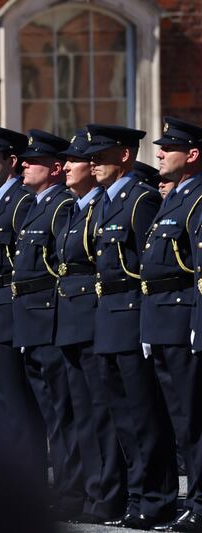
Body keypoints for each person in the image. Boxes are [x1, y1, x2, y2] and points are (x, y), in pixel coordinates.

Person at [84, 124, 177, 529]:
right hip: (108, 316)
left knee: (144, 415)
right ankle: (137, 498)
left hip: (131, 315)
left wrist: (144, 325)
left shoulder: (139, 201)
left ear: (124, 156)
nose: (93, 164)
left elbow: (148, 266)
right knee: (121, 417)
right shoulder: (107, 202)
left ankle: (156, 499)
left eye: (101, 156)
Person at [54, 130, 128, 523]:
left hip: (94, 316)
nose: (67, 166)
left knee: (102, 412)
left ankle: (109, 495)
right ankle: (93, 493)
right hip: (71, 317)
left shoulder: (103, 204)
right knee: (82, 413)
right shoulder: (75, 209)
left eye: (76, 160)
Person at [12, 131, 83, 517]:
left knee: (61, 413)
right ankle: (63, 488)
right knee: (47, 411)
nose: (24, 165)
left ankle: (72, 490)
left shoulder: (60, 207)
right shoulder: (37, 206)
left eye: (33, 161)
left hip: (49, 319)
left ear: (54, 169)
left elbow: (62, 268)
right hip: (31, 322)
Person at [143, 117, 202, 531]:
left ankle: (200, 504)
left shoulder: (197, 199)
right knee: (181, 419)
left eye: (169, 147)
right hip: (163, 320)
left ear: (193, 155)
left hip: (184, 320)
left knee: (194, 420)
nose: (159, 152)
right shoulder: (175, 198)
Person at [0, 125, 44, 470]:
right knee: (1, 402)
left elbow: (24, 264)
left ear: (12, 160)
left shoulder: (20, 201)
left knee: (18, 404)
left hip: (11, 313)